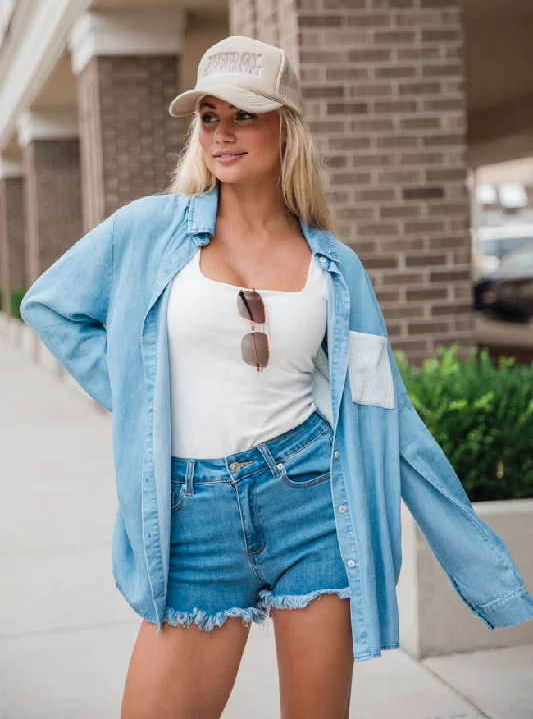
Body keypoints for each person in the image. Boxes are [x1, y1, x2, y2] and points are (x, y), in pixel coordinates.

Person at [20, 36, 533, 719]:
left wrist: (483, 572)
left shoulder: (335, 268)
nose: (221, 133)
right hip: (190, 514)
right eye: (208, 116)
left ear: (285, 125)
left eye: (244, 115)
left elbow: (387, 413)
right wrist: (143, 396)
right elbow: (48, 307)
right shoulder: (148, 230)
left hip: (310, 502)